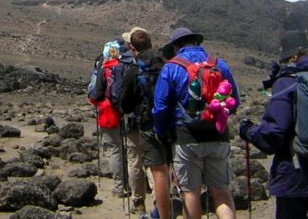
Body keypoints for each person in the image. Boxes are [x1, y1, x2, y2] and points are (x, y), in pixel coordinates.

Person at [239, 30, 308, 219]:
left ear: (294, 56)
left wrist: (248, 131)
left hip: (294, 178)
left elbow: (273, 133)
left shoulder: (288, 81)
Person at [153, 27, 239, 219]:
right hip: (218, 135)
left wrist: (160, 131)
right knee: (221, 193)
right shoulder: (219, 64)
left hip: (186, 137)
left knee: (190, 192)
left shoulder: (171, 67)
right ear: (197, 43)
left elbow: (160, 107)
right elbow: (235, 101)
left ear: (175, 47)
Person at [88, 37, 147, 213]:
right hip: (130, 113)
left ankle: (119, 187)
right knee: (133, 151)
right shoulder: (130, 65)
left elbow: (96, 93)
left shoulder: (104, 68)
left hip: (110, 113)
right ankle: (139, 186)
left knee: (115, 149)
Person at [119, 28, 172, 218]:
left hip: (146, 124)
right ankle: (167, 206)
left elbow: (125, 103)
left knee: (154, 169)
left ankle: (155, 210)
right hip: (170, 124)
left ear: (132, 47)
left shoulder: (134, 69)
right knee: (169, 168)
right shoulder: (167, 64)